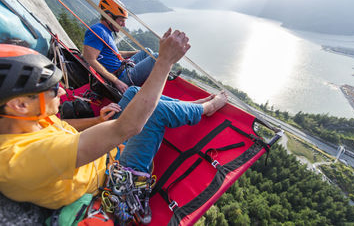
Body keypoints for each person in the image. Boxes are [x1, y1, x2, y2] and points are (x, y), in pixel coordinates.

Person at [0, 29, 227, 210]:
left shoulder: (21, 121)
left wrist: (97, 121)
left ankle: (191, 107)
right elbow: (128, 127)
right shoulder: (21, 159)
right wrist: (165, 62)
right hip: (116, 177)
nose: (61, 92)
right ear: (19, 104)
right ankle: (206, 108)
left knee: (132, 93)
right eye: (52, 90)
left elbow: (63, 126)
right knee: (155, 113)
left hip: (106, 153)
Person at [83, 0, 158, 93]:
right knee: (155, 57)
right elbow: (90, 59)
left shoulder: (106, 31)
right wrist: (117, 82)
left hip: (124, 68)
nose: (123, 25)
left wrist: (135, 52)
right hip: (121, 77)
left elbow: (113, 53)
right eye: (121, 21)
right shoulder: (97, 31)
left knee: (146, 51)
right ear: (109, 17)